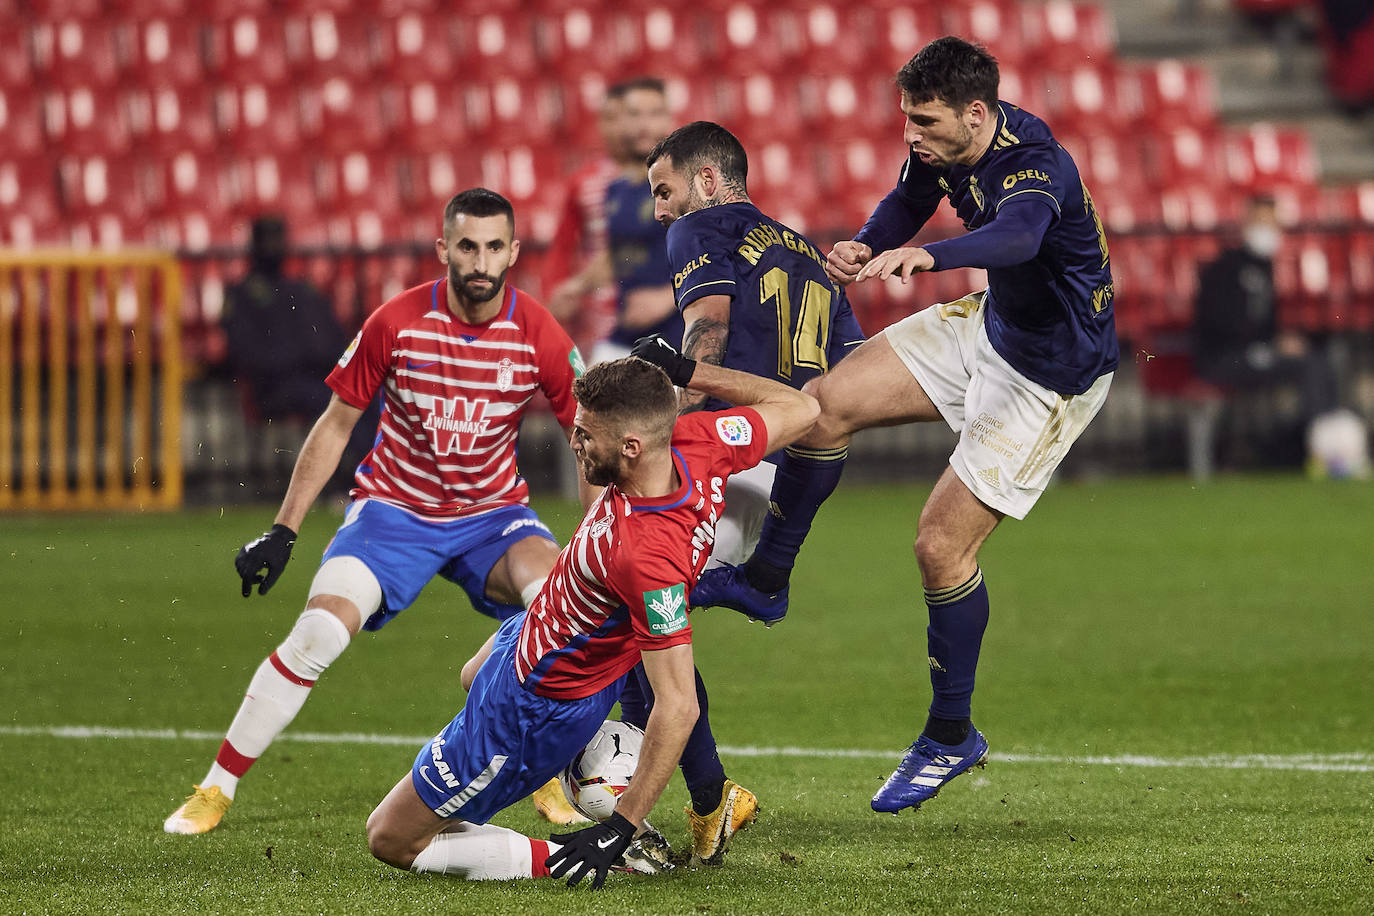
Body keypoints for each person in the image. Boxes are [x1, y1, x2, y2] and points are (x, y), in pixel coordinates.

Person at [693, 37, 1119, 814]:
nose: (911, 134)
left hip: (1050, 375)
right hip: (990, 327)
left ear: (977, 113)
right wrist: (871, 240)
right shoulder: (942, 144)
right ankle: (764, 581)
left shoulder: (1037, 165)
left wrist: (928, 258)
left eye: (924, 121)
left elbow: (1019, 238)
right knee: (820, 407)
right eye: (906, 119)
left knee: (938, 547)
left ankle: (950, 734)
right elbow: (908, 200)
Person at [164, 188, 595, 835]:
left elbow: (587, 439)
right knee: (318, 634)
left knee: (558, 614)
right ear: (443, 248)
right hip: (393, 511)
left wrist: (593, 543)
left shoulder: (539, 332)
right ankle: (216, 787)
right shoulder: (396, 321)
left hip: (494, 517)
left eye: (494, 247)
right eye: (468, 246)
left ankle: (542, 778)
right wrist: (284, 528)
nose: (480, 261)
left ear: (512, 252)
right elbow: (335, 425)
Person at [364, 353, 820, 889]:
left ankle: (606, 847)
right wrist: (687, 370)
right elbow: (802, 406)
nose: (573, 441)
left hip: (536, 702)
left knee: (390, 838)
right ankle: (596, 768)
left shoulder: (649, 558)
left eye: (584, 433)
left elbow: (678, 705)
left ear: (631, 446)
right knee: (471, 674)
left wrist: (619, 829)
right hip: (539, 630)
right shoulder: (702, 439)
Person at [642, 120, 865, 574]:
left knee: (622, 591)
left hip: (725, 449)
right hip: (789, 469)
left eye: (664, 191)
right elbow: (852, 368)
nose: (659, 210)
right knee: (680, 594)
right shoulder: (811, 255)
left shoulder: (696, 228)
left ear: (706, 179)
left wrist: (678, 440)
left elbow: (709, 329)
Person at [221, 215, 369, 494]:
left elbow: (333, 337)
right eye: (269, 240)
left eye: (279, 239)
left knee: (366, 394)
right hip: (274, 387)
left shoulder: (299, 289)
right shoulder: (242, 294)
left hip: (314, 377)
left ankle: (373, 477)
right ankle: (352, 480)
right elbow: (244, 353)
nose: (275, 247)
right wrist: (300, 358)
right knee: (336, 400)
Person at [1192, 195, 1339, 470]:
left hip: (1256, 352)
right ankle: (1319, 451)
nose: (1267, 230)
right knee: (1308, 366)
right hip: (1225, 358)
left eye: (1271, 223)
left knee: (1320, 359)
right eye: (1260, 222)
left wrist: (1280, 341)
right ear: (1245, 223)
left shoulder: (1266, 267)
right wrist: (1269, 343)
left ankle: (1323, 440)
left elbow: (1265, 324)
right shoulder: (1224, 268)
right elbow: (1219, 323)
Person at [588, 77, 684, 366]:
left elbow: (731, 248)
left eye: (654, 113)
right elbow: (618, 254)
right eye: (635, 115)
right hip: (628, 330)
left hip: (680, 330)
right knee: (585, 398)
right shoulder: (615, 189)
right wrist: (577, 287)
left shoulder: (688, 180)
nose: (644, 125)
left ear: (669, 119)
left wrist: (668, 297)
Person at [541, 91, 622, 356]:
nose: (622, 127)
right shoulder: (585, 183)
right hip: (602, 318)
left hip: (662, 311)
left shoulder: (670, 178)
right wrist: (555, 293)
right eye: (612, 118)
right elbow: (562, 247)